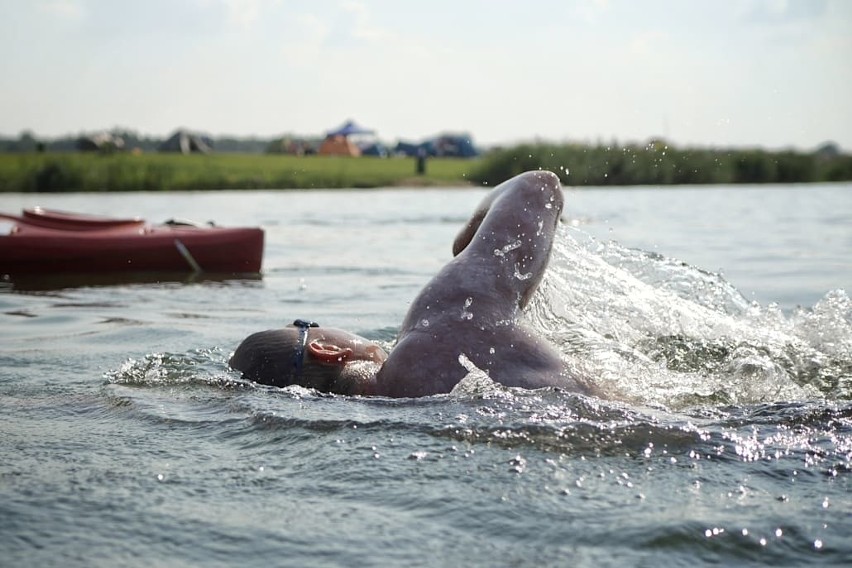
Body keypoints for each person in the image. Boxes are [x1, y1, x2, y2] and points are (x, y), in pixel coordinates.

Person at [229, 170, 586, 397]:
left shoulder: (394, 404)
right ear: (325, 349)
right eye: (309, 324)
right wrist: (466, 246)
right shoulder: (440, 318)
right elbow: (538, 187)